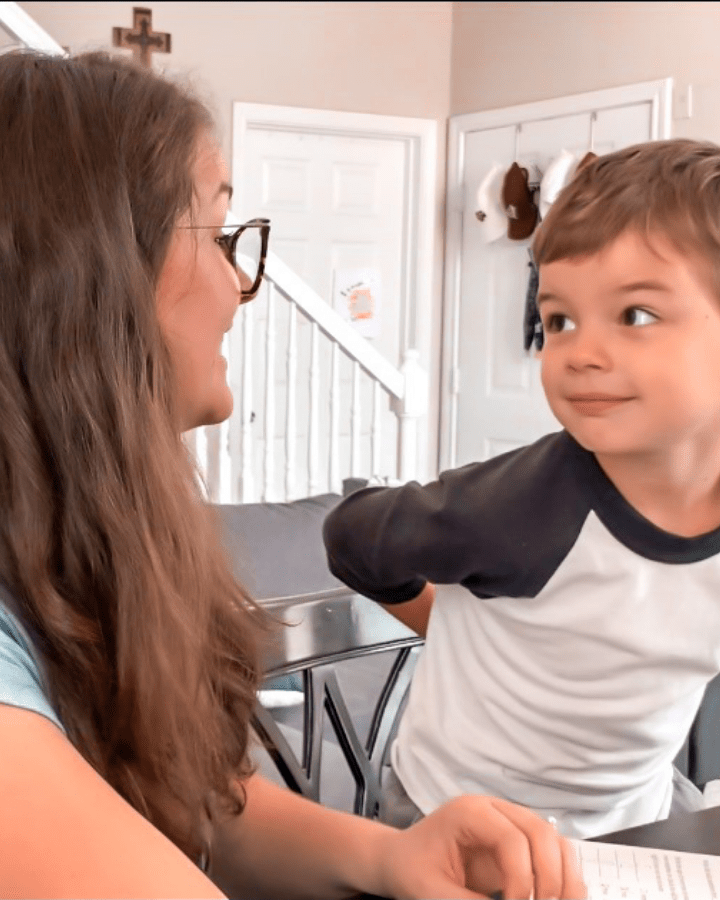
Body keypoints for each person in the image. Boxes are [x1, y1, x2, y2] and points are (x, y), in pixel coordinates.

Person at [0, 49, 584, 900]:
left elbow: (191, 806)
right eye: (219, 233)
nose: (241, 283)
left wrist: (391, 856)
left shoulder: (73, 547)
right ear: (93, 278)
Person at [324, 137, 720, 841]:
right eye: (560, 319)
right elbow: (353, 534)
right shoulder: (517, 508)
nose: (581, 353)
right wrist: (438, 618)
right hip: (461, 813)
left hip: (634, 812)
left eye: (634, 315)